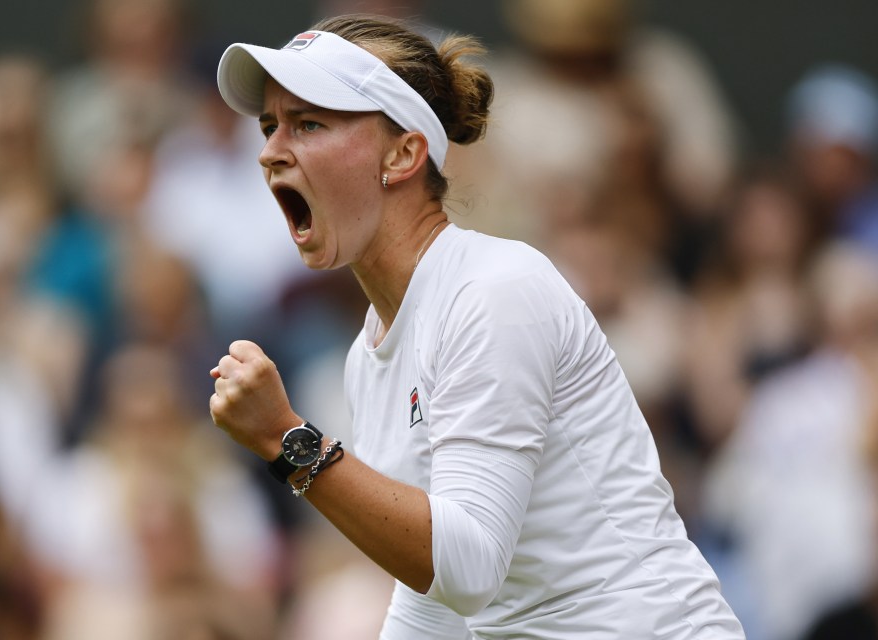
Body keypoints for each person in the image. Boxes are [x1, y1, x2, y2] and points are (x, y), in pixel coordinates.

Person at [209, 14, 744, 639]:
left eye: (309, 124)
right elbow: (430, 599)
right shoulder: (369, 352)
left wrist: (287, 440)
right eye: (271, 126)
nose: (271, 150)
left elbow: (464, 565)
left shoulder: (493, 290)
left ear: (403, 153)